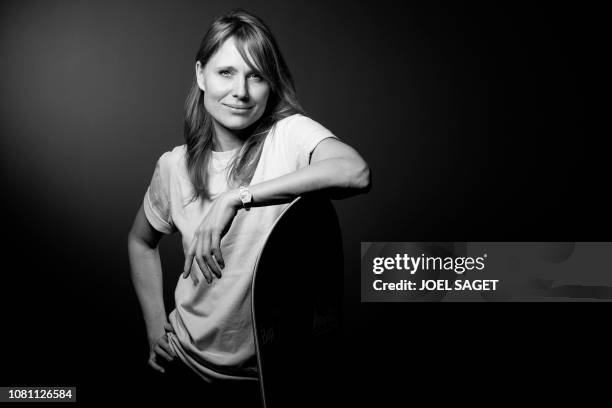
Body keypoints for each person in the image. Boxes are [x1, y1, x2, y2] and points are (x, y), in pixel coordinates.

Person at [127, 8, 370, 406]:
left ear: (269, 84)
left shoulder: (289, 136)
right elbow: (141, 242)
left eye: (256, 75)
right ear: (201, 74)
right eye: (226, 72)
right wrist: (155, 326)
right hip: (182, 366)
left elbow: (355, 172)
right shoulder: (174, 165)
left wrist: (235, 197)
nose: (241, 90)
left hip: (267, 381)